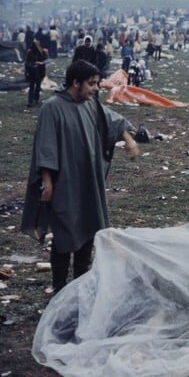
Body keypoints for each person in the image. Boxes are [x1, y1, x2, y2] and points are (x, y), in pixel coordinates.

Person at [20, 60, 140, 295]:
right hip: (64, 183)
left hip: (88, 181)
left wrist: (128, 138)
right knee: (65, 233)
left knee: (89, 229)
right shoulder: (52, 108)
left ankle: (81, 285)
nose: (96, 88)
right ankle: (59, 288)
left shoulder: (90, 104)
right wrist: (47, 182)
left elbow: (112, 120)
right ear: (76, 83)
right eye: (92, 84)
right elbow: (45, 145)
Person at [24, 39, 48, 108]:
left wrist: (41, 63)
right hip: (33, 71)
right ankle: (31, 100)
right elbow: (27, 62)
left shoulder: (42, 52)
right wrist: (31, 65)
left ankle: (35, 99)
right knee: (32, 86)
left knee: (37, 86)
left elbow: (47, 60)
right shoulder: (30, 52)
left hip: (39, 71)